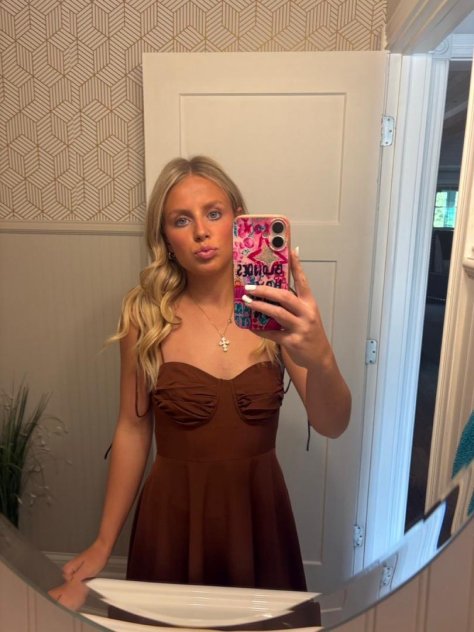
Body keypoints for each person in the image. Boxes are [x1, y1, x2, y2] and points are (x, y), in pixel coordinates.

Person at [62, 155, 351, 592]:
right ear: (165, 237)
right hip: (172, 520)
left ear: (238, 220)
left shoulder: (276, 308)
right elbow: (133, 429)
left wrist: (322, 356)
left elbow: (333, 424)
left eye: (214, 213)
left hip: (259, 521)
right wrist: (104, 542)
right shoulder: (145, 315)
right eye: (181, 220)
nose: (200, 231)